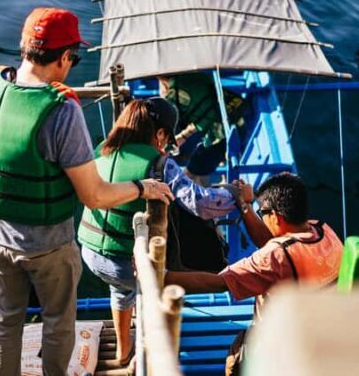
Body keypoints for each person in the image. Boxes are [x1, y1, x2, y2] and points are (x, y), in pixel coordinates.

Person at [0, 7, 174, 376]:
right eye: (75, 56)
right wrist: (142, 186)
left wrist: (2, 184)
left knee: (7, 320)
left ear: (25, 47)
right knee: (58, 322)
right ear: (65, 56)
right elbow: (94, 196)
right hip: (48, 246)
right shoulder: (61, 111)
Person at [77, 97, 239, 366]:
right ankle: (150, 356)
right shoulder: (162, 165)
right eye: (165, 137)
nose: (165, 144)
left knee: (120, 291)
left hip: (91, 254)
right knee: (163, 287)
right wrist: (234, 193)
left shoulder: (100, 151)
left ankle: (122, 351)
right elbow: (203, 204)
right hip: (129, 264)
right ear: (160, 133)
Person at [164, 172, 343, 375]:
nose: (262, 216)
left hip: (281, 345)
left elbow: (218, 282)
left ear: (275, 216)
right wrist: (245, 205)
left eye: (262, 212)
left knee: (236, 358)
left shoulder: (275, 257)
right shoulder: (324, 232)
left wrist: (163, 276)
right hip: (321, 334)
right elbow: (276, 239)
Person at [158, 73, 248, 178]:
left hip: (225, 131)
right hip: (234, 117)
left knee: (195, 168)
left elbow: (205, 118)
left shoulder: (174, 94)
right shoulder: (194, 74)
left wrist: (183, 136)